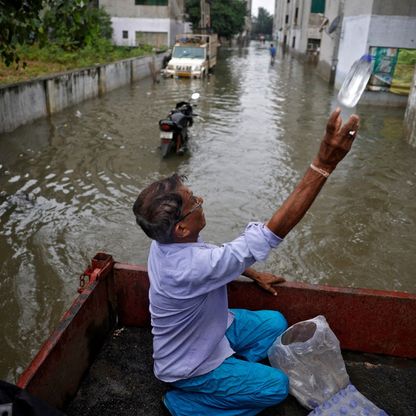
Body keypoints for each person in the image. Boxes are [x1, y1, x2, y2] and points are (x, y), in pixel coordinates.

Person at [132, 108, 360, 416]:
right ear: (181, 228)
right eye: (194, 201)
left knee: (275, 323)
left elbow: (217, 256)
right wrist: (323, 164)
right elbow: (267, 235)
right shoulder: (192, 266)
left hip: (209, 331)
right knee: (276, 387)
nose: (200, 201)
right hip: (188, 365)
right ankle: (183, 404)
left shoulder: (164, 243)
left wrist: (253, 273)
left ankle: (233, 372)